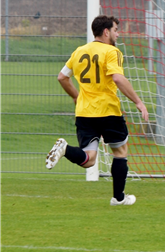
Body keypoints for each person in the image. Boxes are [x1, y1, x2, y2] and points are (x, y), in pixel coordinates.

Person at [46, 15, 149, 206]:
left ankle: (65, 149)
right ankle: (118, 198)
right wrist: (138, 102)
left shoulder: (79, 51)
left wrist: (77, 97)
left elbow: (62, 77)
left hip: (84, 113)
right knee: (120, 151)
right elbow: (117, 78)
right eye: (116, 30)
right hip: (108, 110)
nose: (118, 34)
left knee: (89, 160)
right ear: (106, 32)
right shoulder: (111, 51)